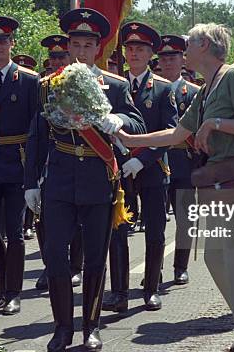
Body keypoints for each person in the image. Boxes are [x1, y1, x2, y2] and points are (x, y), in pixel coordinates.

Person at [118, 22, 234, 352]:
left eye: (188, 43)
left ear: (204, 45)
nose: (182, 49)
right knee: (216, 259)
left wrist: (215, 123)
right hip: (223, 185)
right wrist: (129, 138)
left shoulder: (233, 76)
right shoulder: (206, 88)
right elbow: (176, 134)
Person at [24, 8, 145, 352]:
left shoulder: (116, 85)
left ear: (98, 49)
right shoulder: (48, 84)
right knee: (55, 255)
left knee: (95, 257)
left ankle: (90, 326)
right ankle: (62, 327)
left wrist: (116, 119)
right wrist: (31, 182)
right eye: (75, 44)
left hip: (97, 179)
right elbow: (37, 135)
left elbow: (137, 124)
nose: (80, 51)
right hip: (60, 179)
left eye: (88, 45)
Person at [102, 22, 177, 314]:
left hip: (153, 167)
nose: (134, 54)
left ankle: (150, 290)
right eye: (130, 48)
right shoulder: (110, 86)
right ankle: (119, 292)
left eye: (141, 49)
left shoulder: (162, 89)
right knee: (118, 230)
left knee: (155, 231)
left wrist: (141, 159)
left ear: (150, 54)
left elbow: (170, 132)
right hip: (119, 169)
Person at [0, 15, 39, 315]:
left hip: (18, 163)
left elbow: (36, 127)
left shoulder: (29, 80)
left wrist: (36, 172)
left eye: (3, 41)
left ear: (13, 44)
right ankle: (2, 282)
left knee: (14, 231)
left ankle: (13, 291)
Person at [36, 33, 83, 291]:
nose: (55, 61)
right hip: (50, 161)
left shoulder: (79, 83)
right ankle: (51, 265)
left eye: (60, 56)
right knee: (46, 220)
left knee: (74, 220)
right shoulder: (43, 86)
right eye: (52, 57)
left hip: (73, 159)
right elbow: (37, 130)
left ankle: (76, 266)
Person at [157, 34, 200, 285]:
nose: (168, 61)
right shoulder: (151, 88)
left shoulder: (194, 92)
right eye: (163, 57)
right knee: (156, 220)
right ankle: (156, 268)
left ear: (183, 59)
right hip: (157, 162)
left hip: (184, 162)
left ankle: (180, 266)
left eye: (173, 56)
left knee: (185, 219)